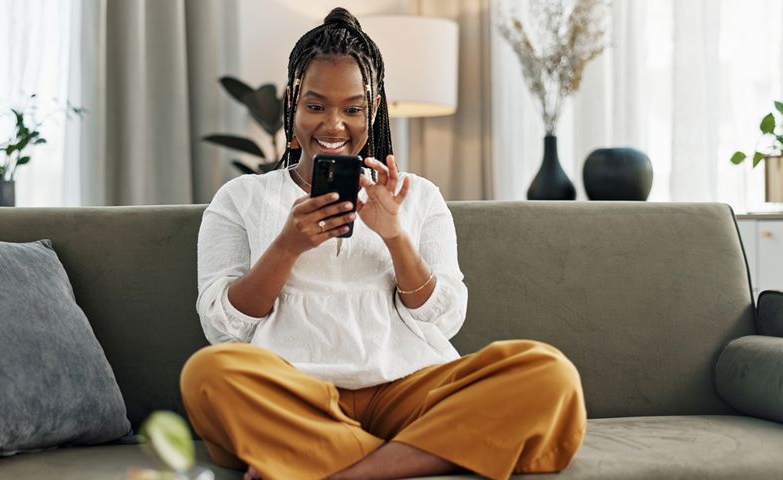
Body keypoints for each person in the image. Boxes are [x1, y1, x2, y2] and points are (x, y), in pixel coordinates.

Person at [181, 8, 586, 480]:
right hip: (296, 392)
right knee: (209, 374)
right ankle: (416, 456)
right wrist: (286, 247)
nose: (333, 125)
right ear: (293, 103)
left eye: (352, 109)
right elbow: (223, 327)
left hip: (410, 389)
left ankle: (332, 466)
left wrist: (395, 237)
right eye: (316, 106)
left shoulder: (420, 196)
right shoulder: (242, 198)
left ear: (372, 111)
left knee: (548, 374)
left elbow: (447, 317)